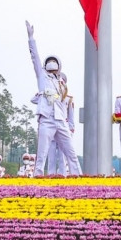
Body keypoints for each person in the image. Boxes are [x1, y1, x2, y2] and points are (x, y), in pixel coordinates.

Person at [26, 21, 82, 176]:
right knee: (42, 153)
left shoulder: (62, 84)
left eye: (54, 62)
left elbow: (65, 105)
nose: (51, 64)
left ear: (59, 67)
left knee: (71, 153)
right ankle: (38, 176)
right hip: (47, 119)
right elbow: (34, 58)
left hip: (60, 120)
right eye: (49, 62)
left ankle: (79, 177)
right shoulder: (42, 77)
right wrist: (31, 38)